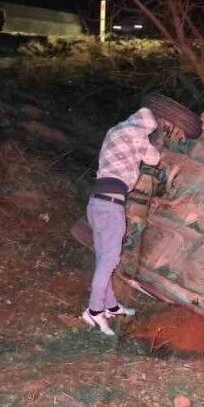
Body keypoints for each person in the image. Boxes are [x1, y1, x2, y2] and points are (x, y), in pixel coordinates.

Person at [82, 107, 162, 336]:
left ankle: (111, 306)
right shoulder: (137, 133)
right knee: (109, 260)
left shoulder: (114, 130)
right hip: (111, 206)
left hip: (96, 203)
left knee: (102, 259)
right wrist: (148, 141)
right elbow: (154, 159)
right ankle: (94, 311)